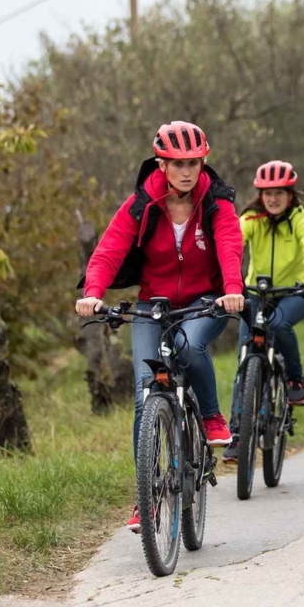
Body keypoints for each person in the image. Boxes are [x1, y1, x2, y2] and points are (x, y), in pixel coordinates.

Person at [76, 121, 245, 534]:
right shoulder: (142, 203)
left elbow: (229, 246)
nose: (186, 171)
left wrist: (233, 290)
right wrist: (92, 291)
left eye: (193, 163)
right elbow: (109, 249)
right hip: (155, 303)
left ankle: (210, 416)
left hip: (208, 299)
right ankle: (147, 495)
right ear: (162, 164)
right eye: (176, 164)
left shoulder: (217, 204)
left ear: (202, 162)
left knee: (189, 347)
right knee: (144, 394)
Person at [224, 160, 304, 461]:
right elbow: (231, 245)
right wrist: (228, 282)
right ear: (259, 195)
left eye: (279, 193)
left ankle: (295, 380)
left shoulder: (299, 218)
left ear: (290, 194)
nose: (273, 199)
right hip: (256, 293)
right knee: (246, 357)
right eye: (267, 193)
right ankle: (237, 432)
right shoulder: (251, 218)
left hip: (296, 291)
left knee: (278, 325)